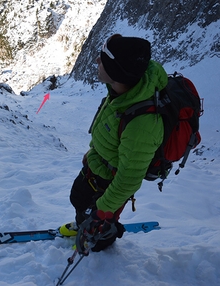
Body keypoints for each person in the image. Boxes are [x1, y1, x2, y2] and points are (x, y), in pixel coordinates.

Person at [59, 34, 168, 253]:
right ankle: (84, 222)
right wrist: (94, 150)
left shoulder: (143, 126)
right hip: (98, 165)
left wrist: (102, 212)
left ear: (117, 72)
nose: (97, 61)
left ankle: (102, 235)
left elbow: (127, 181)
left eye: (103, 59)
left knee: (93, 212)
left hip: (110, 181)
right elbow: (112, 127)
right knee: (78, 196)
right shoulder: (124, 90)